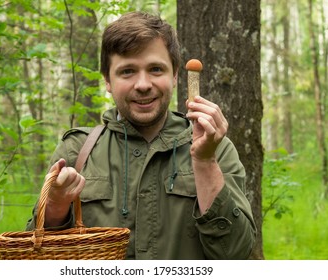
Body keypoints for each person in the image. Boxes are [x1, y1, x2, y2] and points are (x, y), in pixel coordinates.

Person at [26, 11, 256, 259]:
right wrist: (55, 207)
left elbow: (236, 254)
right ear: (107, 80)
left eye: (156, 69)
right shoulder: (76, 151)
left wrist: (205, 162)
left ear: (175, 74)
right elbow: (37, 256)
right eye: (127, 71)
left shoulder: (216, 148)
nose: (143, 84)